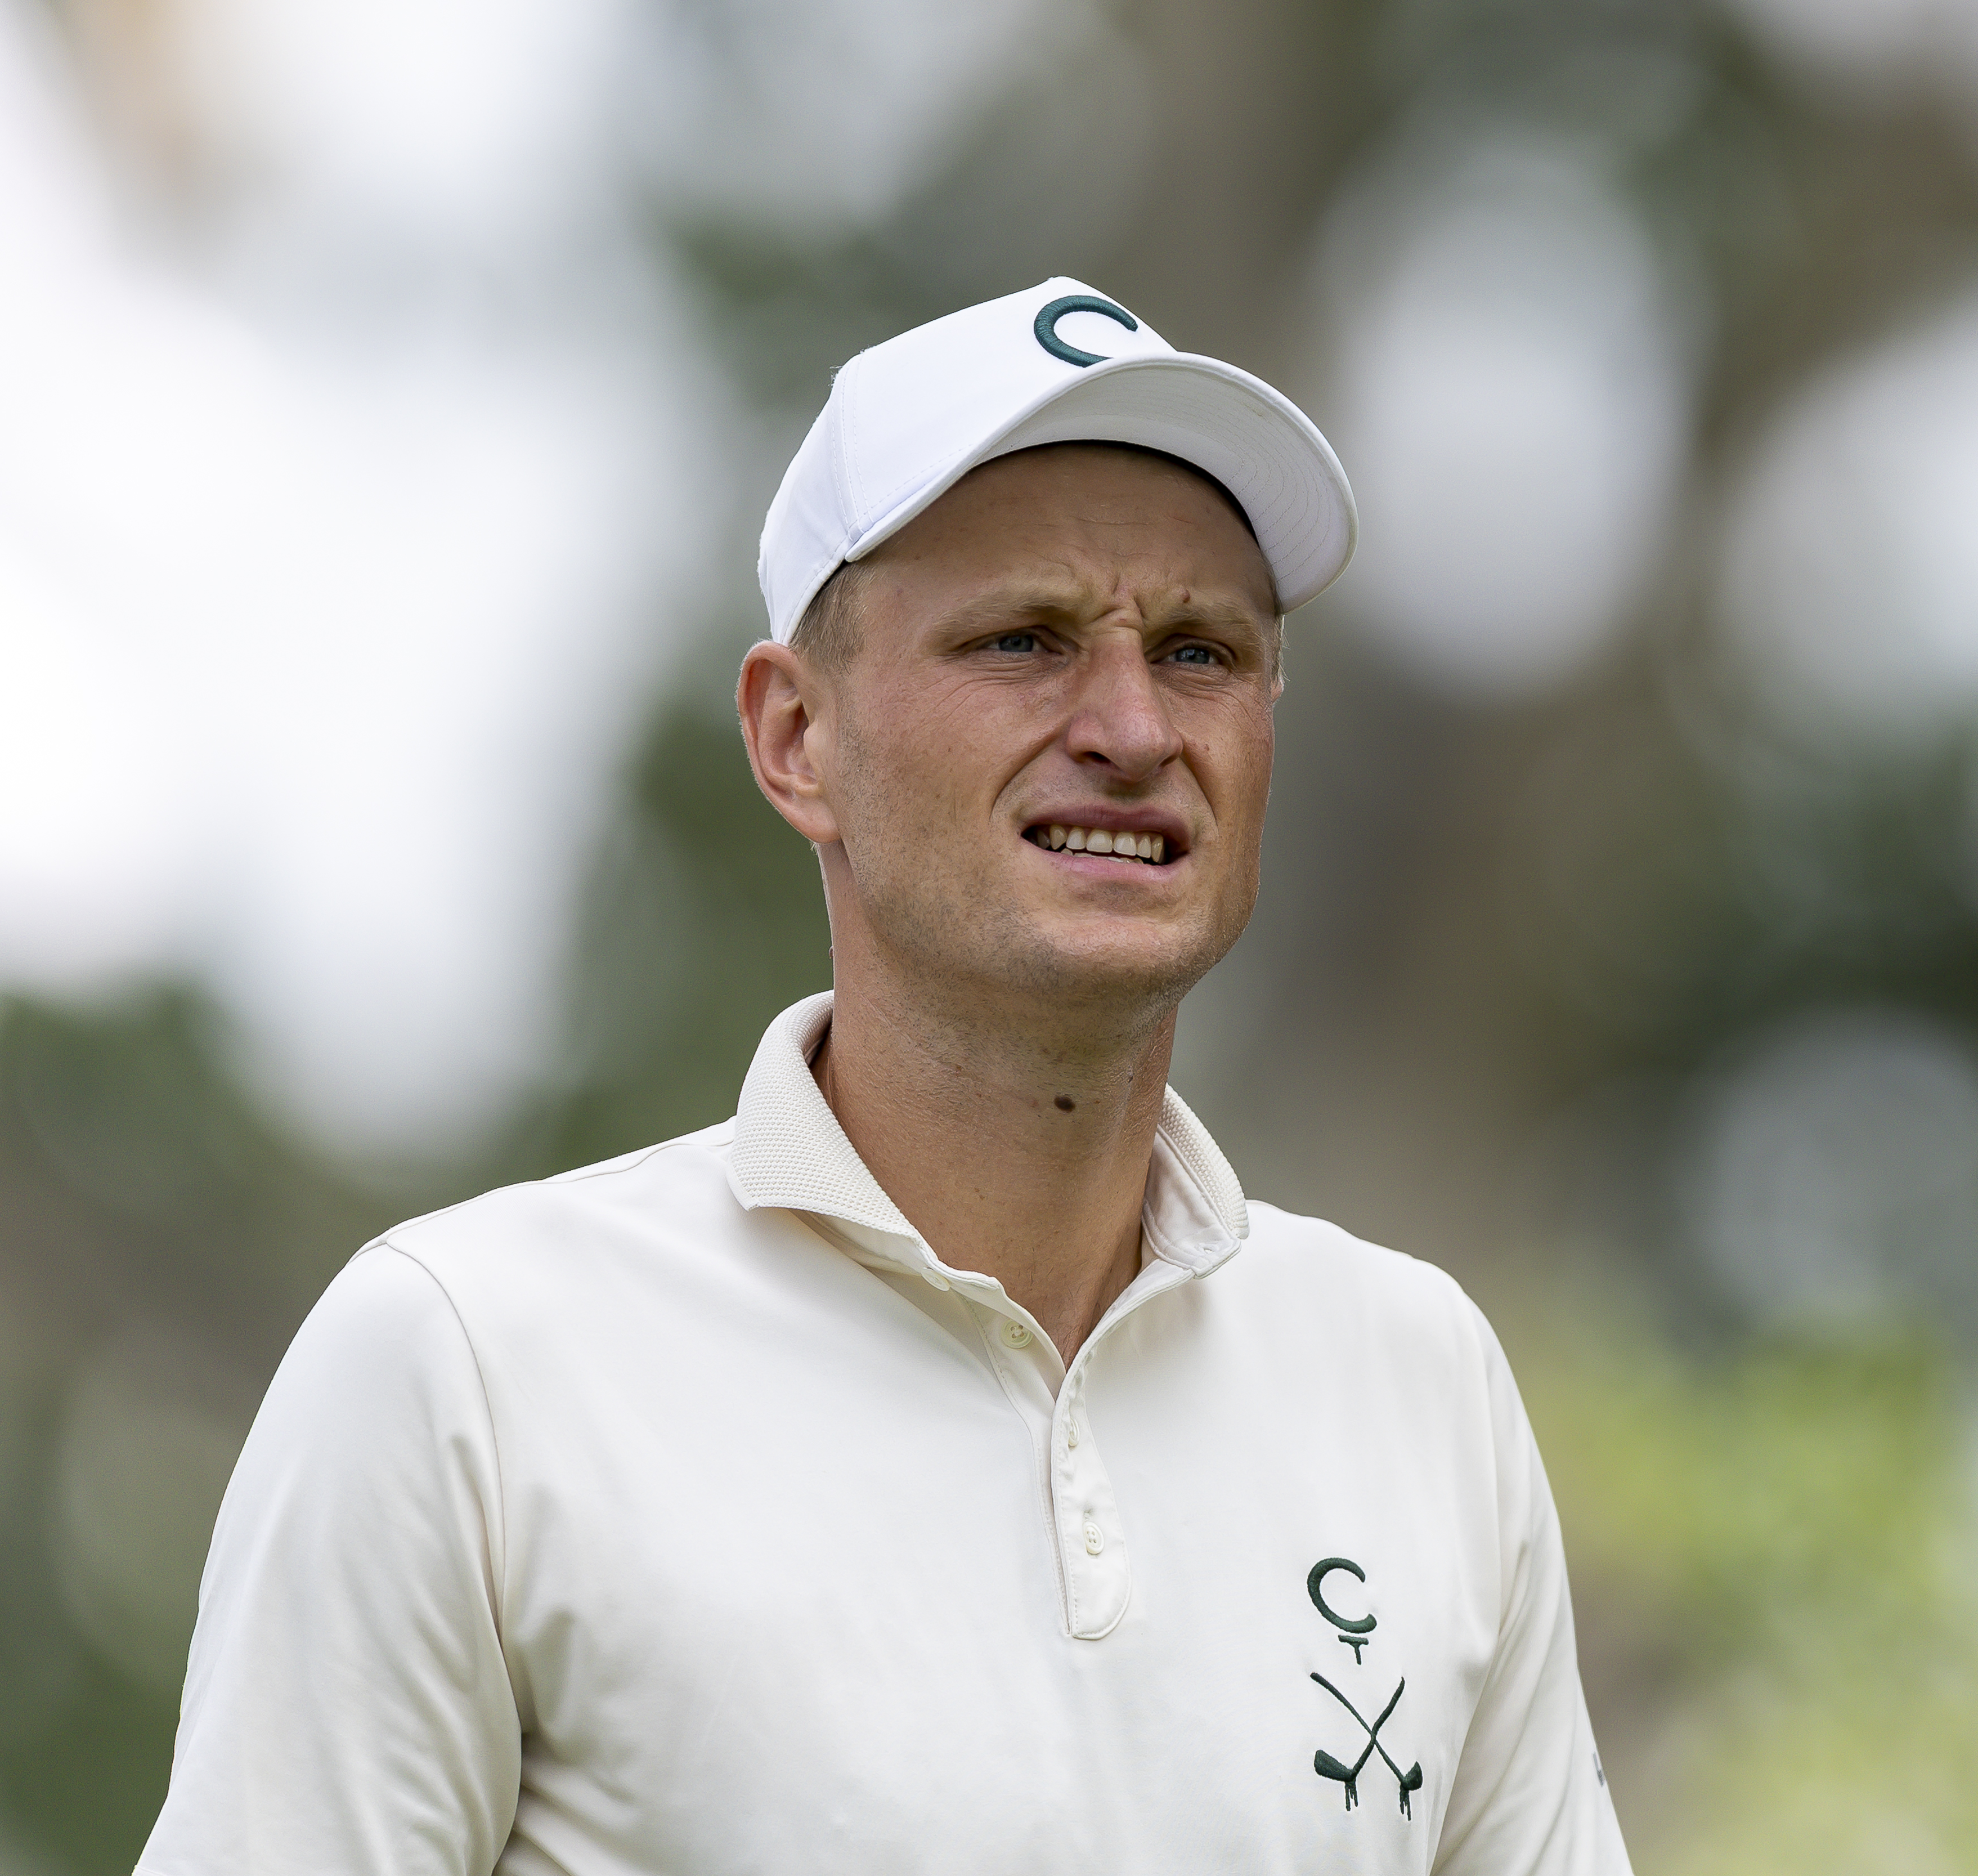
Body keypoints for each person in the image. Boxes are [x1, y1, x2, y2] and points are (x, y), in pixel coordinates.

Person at [138, 279, 1630, 1876]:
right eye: (1025, 640)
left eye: (1201, 651)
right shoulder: (468, 1364)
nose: (1132, 727)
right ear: (797, 737)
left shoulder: (1420, 1381)